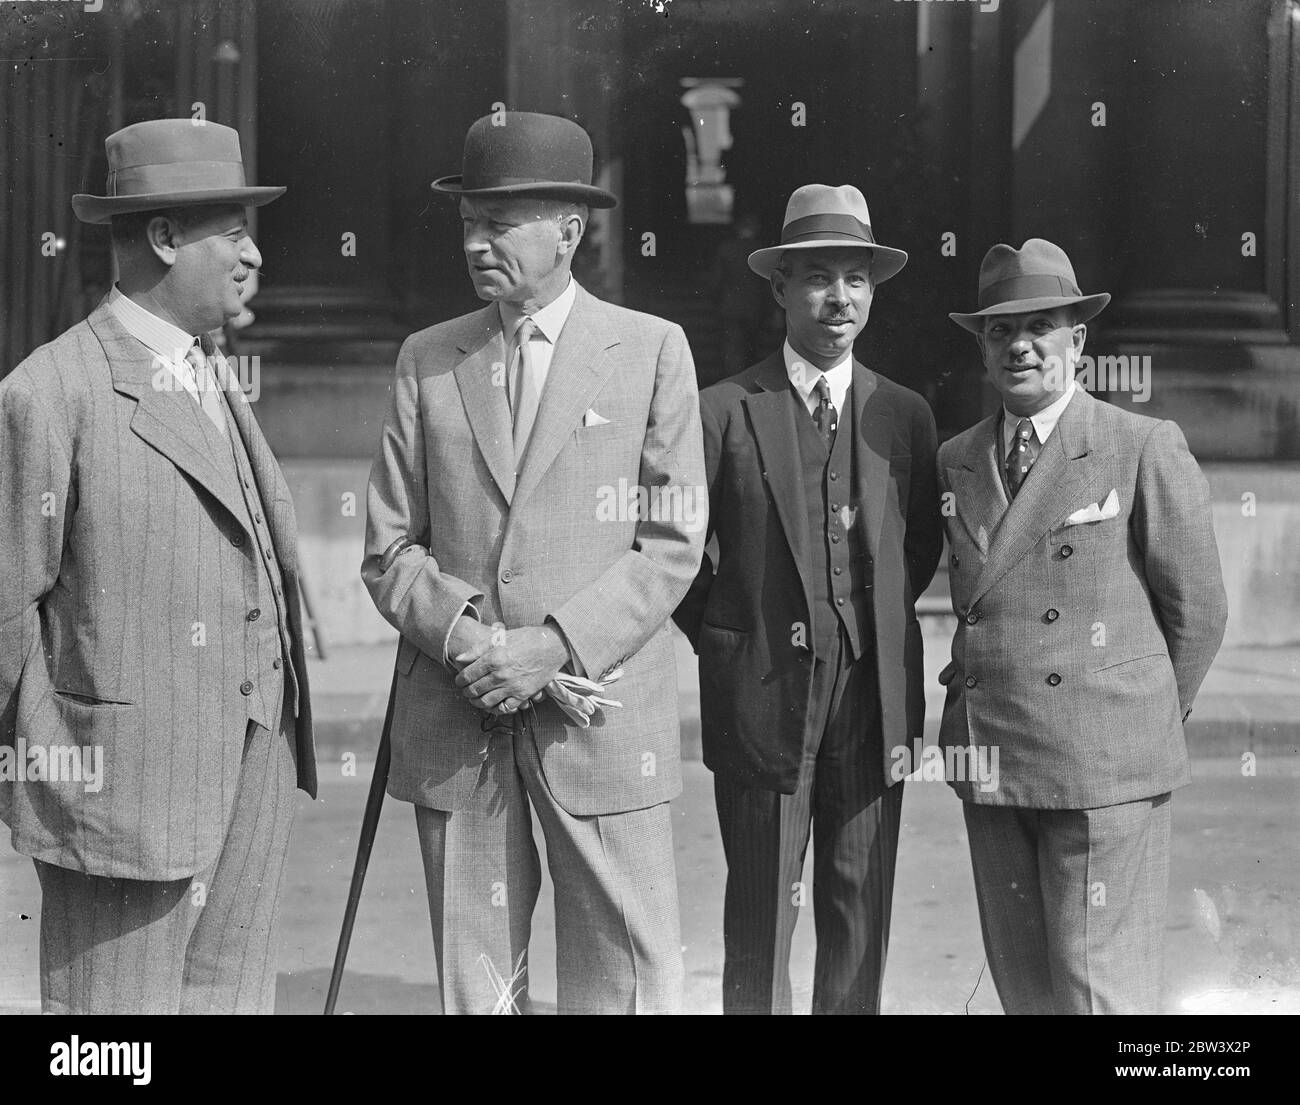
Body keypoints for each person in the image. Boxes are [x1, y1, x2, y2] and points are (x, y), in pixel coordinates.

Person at [361, 111, 706, 1015]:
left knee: (626, 984)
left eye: (500, 223)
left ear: (569, 229)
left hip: (600, 722)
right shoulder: (428, 358)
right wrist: (471, 640)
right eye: (469, 221)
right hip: (459, 715)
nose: (476, 242)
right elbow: (389, 546)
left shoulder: (651, 349)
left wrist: (552, 645)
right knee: (479, 991)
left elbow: (673, 542)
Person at [0, 119, 316, 1014]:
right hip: (118, 799)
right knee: (113, 1039)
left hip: (253, 765)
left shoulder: (214, 370)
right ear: (166, 237)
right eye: (234, 233)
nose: (254, 255)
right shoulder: (48, 391)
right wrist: (56, 776)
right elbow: (5, 608)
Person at [938, 238, 1228, 1014]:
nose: (1021, 346)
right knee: (1025, 987)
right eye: (1001, 330)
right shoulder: (958, 458)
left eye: (1041, 326)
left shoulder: (1139, 444)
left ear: (1078, 339)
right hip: (994, 756)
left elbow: (1198, 609)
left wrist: (1135, 714)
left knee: (1099, 990)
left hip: (1103, 764)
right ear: (983, 348)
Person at [673, 184, 942, 1014]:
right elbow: (675, 556)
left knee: (861, 907)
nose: (839, 298)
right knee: (761, 913)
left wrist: (867, 626)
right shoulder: (722, 411)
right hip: (761, 696)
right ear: (779, 287)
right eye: (819, 277)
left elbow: (918, 548)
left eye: (856, 279)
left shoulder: (903, 414)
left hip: (872, 697)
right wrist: (731, 632)